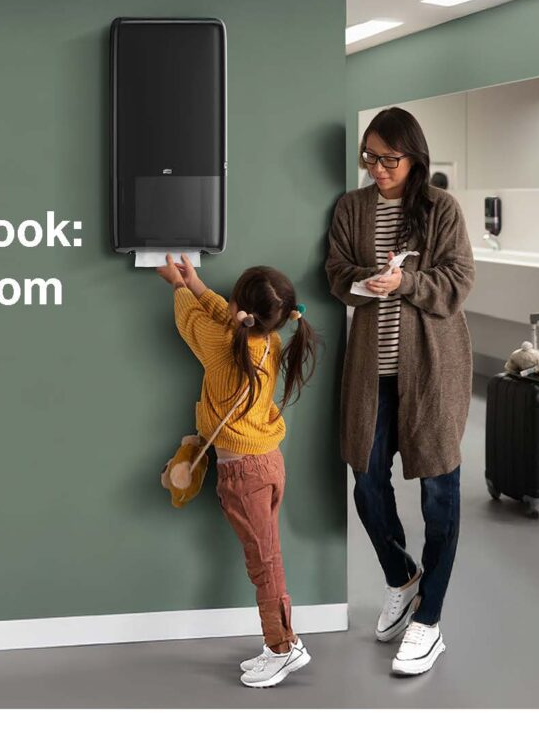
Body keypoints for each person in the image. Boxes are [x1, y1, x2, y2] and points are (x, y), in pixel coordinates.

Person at [325, 107, 475, 676]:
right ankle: (402, 577)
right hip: (371, 371)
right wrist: (365, 281)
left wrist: (406, 281)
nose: (378, 168)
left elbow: (458, 282)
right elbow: (336, 272)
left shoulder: (441, 208)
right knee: (365, 477)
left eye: (389, 158)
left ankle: (429, 620)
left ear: (415, 156)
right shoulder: (352, 208)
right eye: (370, 157)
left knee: (440, 490)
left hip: (433, 372)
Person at [156, 254, 318, 688]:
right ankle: (282, 642)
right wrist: (196, 282)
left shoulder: (222, 347)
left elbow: (193, 323)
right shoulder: (270, 341)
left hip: (243, 475)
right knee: (267, 558)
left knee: (263, 563)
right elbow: (223, 321)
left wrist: (177, 285)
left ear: (241, 311)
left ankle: (282, 648)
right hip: (267, 463)